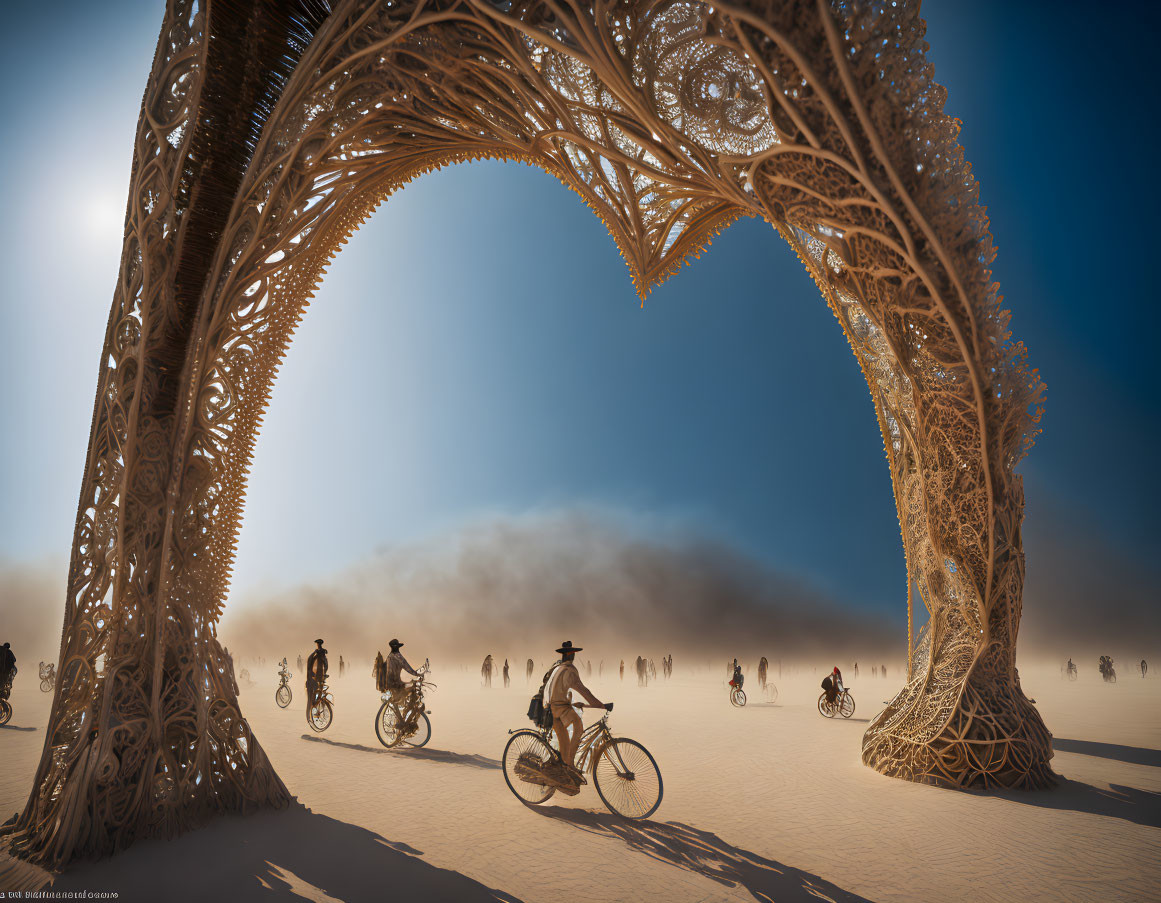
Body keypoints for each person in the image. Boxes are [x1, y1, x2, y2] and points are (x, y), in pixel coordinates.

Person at [543, 641, 606, 790]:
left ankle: (566, 768)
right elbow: (583, 690)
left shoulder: (558, 668)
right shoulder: (569, 670)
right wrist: (599, 704)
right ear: (572, 655)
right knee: (578, 726)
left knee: (564, 742)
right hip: (559, 708)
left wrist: (575, 703)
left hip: (550, 708)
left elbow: (562, 690)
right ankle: (570, 765)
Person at [382, 638, 420, 706]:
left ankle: (399, 706)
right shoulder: (398, 656)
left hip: (388, 683)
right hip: (396, 683)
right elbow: (407, 668)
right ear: (397, 647)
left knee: (402, 695)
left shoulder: (389, 656)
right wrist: (417, 674)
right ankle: (405, 708)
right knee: (412, 688)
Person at [306, 639, 328, 705]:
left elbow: (310, 664)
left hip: (315, 677)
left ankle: (315, 705)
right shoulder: (321, 654)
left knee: (315, 695)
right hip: (318, 676)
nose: (318, 645)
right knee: (319, 692)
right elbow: (326, 665)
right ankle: (317, 704)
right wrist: (324, 673)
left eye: (318, 644)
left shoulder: (316, 654)